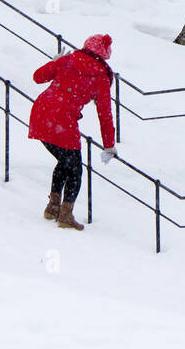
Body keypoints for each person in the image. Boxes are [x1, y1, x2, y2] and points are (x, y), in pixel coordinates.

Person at [28, 33, 118, 231]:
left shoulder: (68, 60)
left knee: (65, 161)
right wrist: (109, 144)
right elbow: (105, 114)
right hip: (63, 121)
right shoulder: (101, 77)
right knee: (76, 169)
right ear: (104, 55)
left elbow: (38, 77)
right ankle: (66, 214)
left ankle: (53, 207)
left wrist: (55, 63)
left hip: (41, 113)